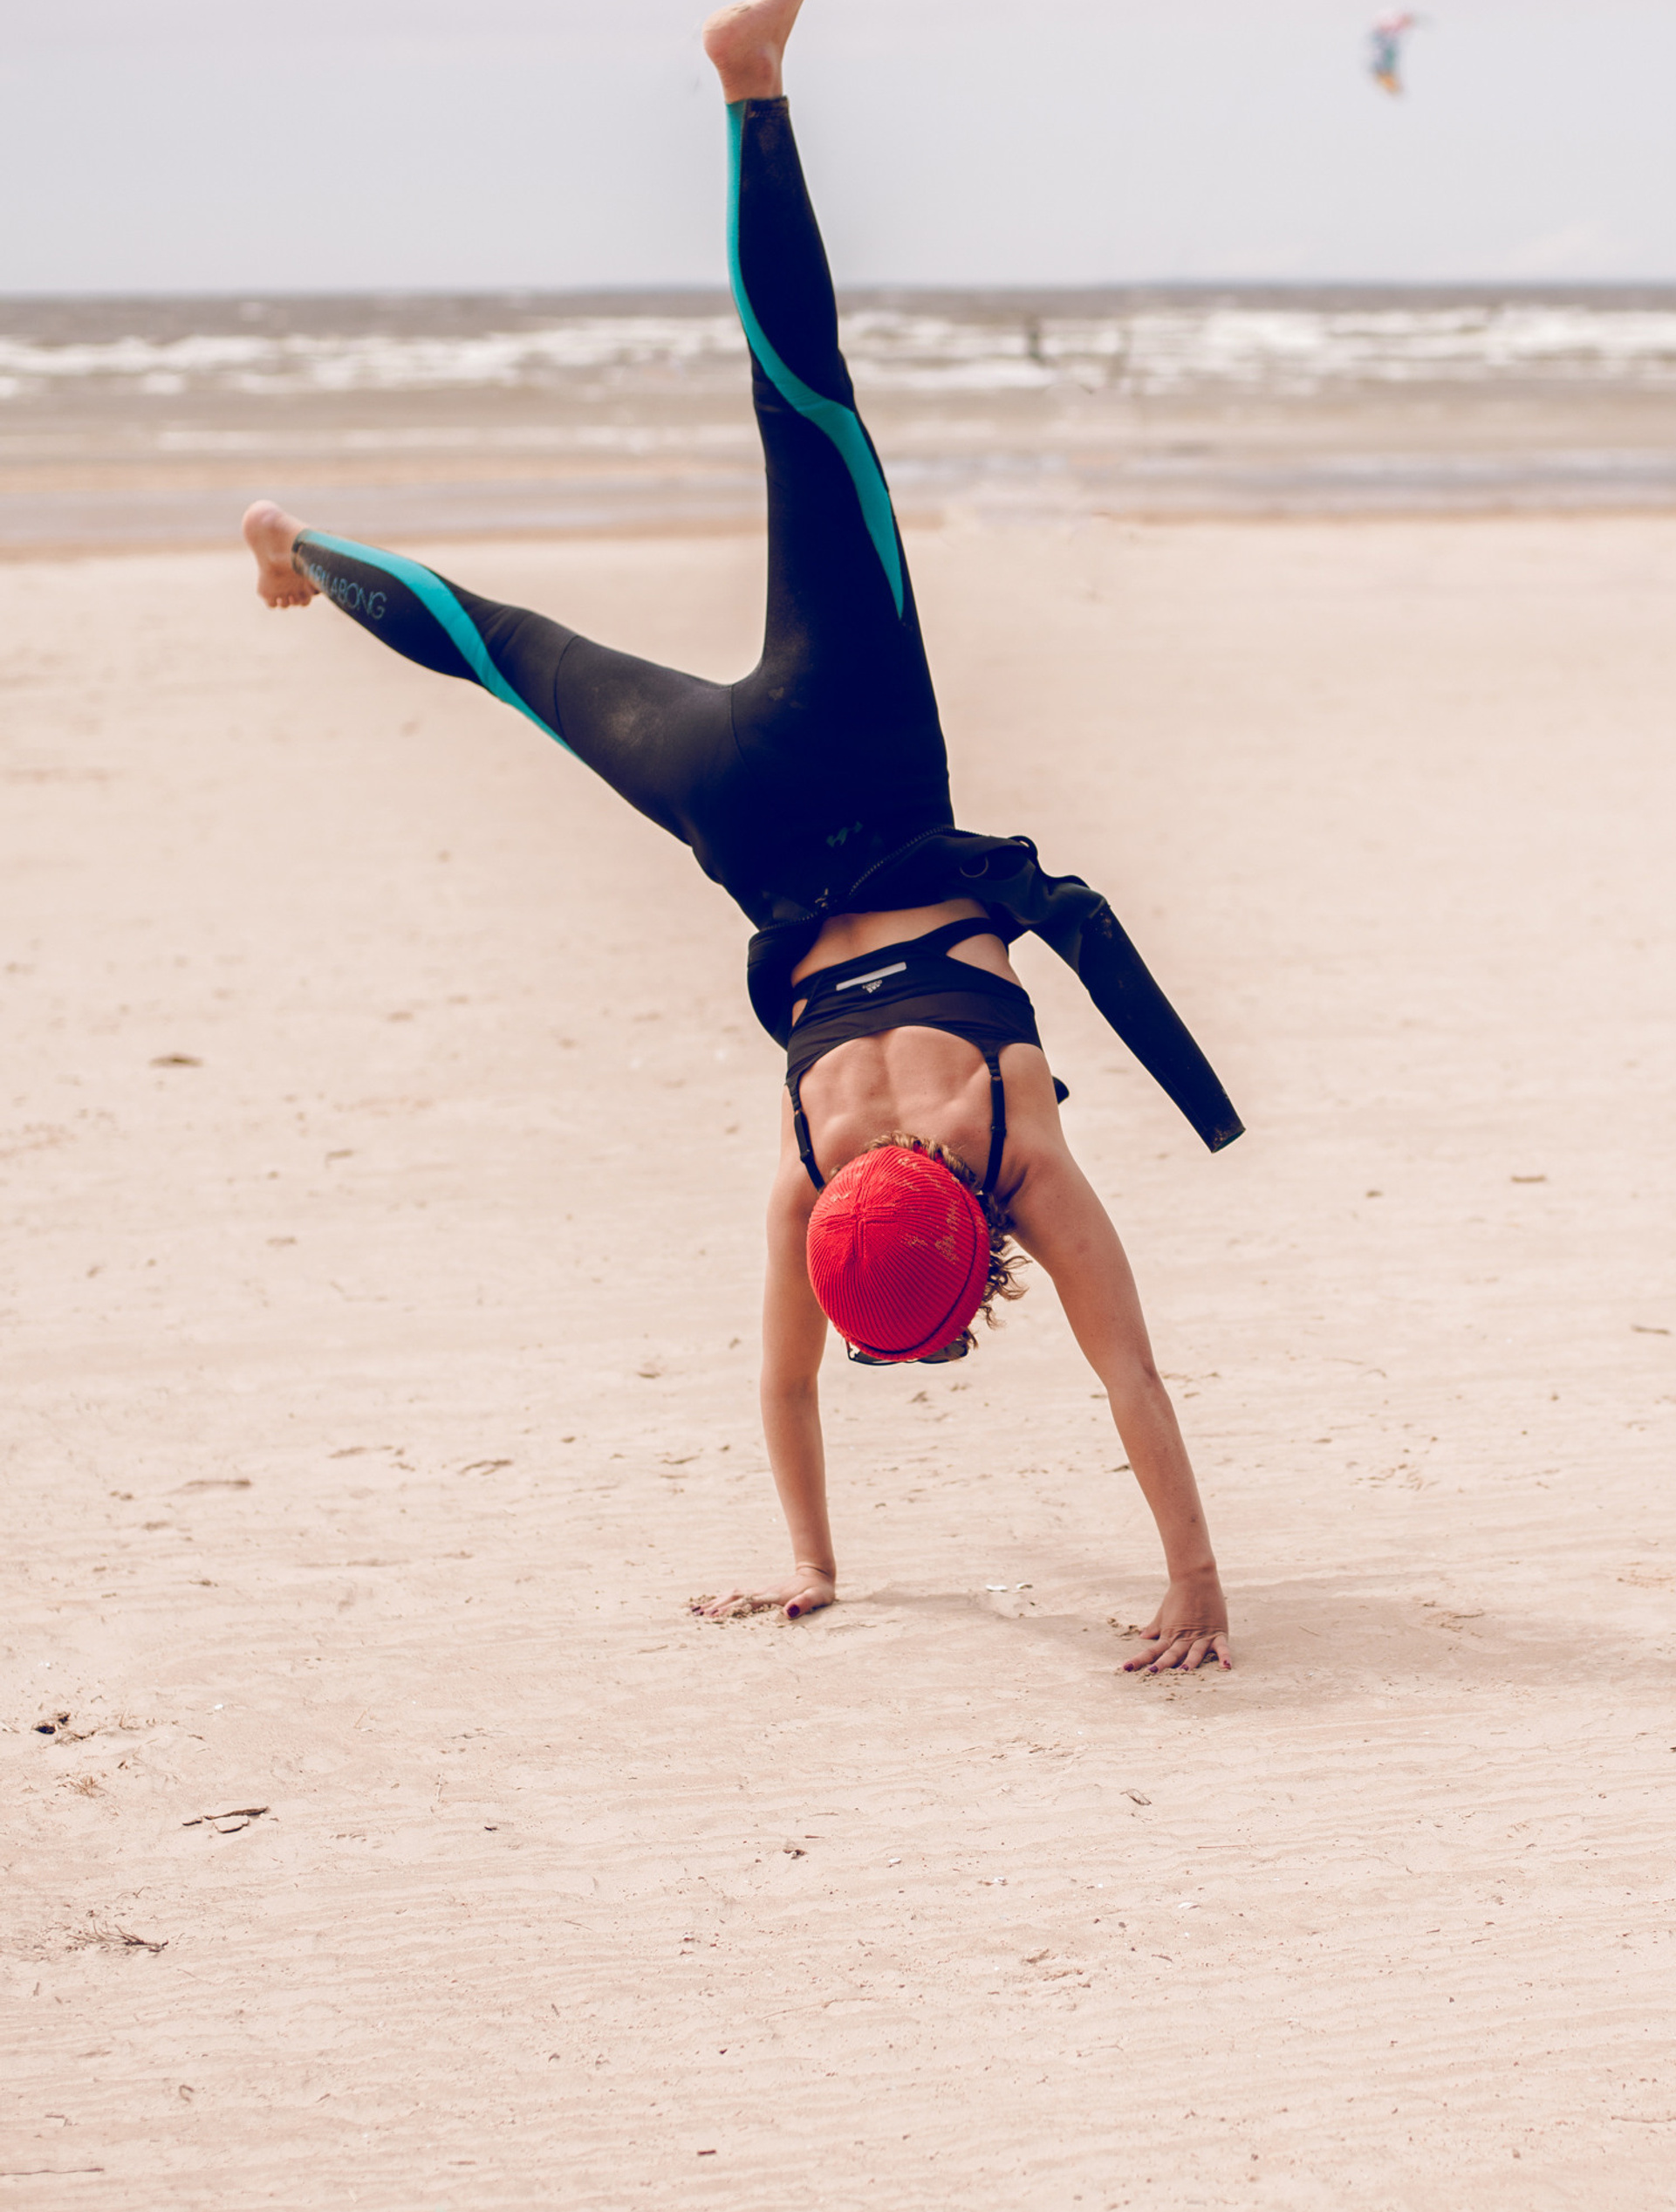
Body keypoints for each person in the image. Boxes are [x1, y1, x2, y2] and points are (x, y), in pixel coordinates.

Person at [242, 0, 1238, 1674]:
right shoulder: (811, 1164)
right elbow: (782, 1380)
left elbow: (1127, 1374)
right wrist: (811, 1563)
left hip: (867, 755)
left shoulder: (1014, 1152)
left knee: (807, 408)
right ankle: (305, 551)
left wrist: (1197, 1582)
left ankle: (751, 83)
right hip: (741, 811)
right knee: (515, 657)